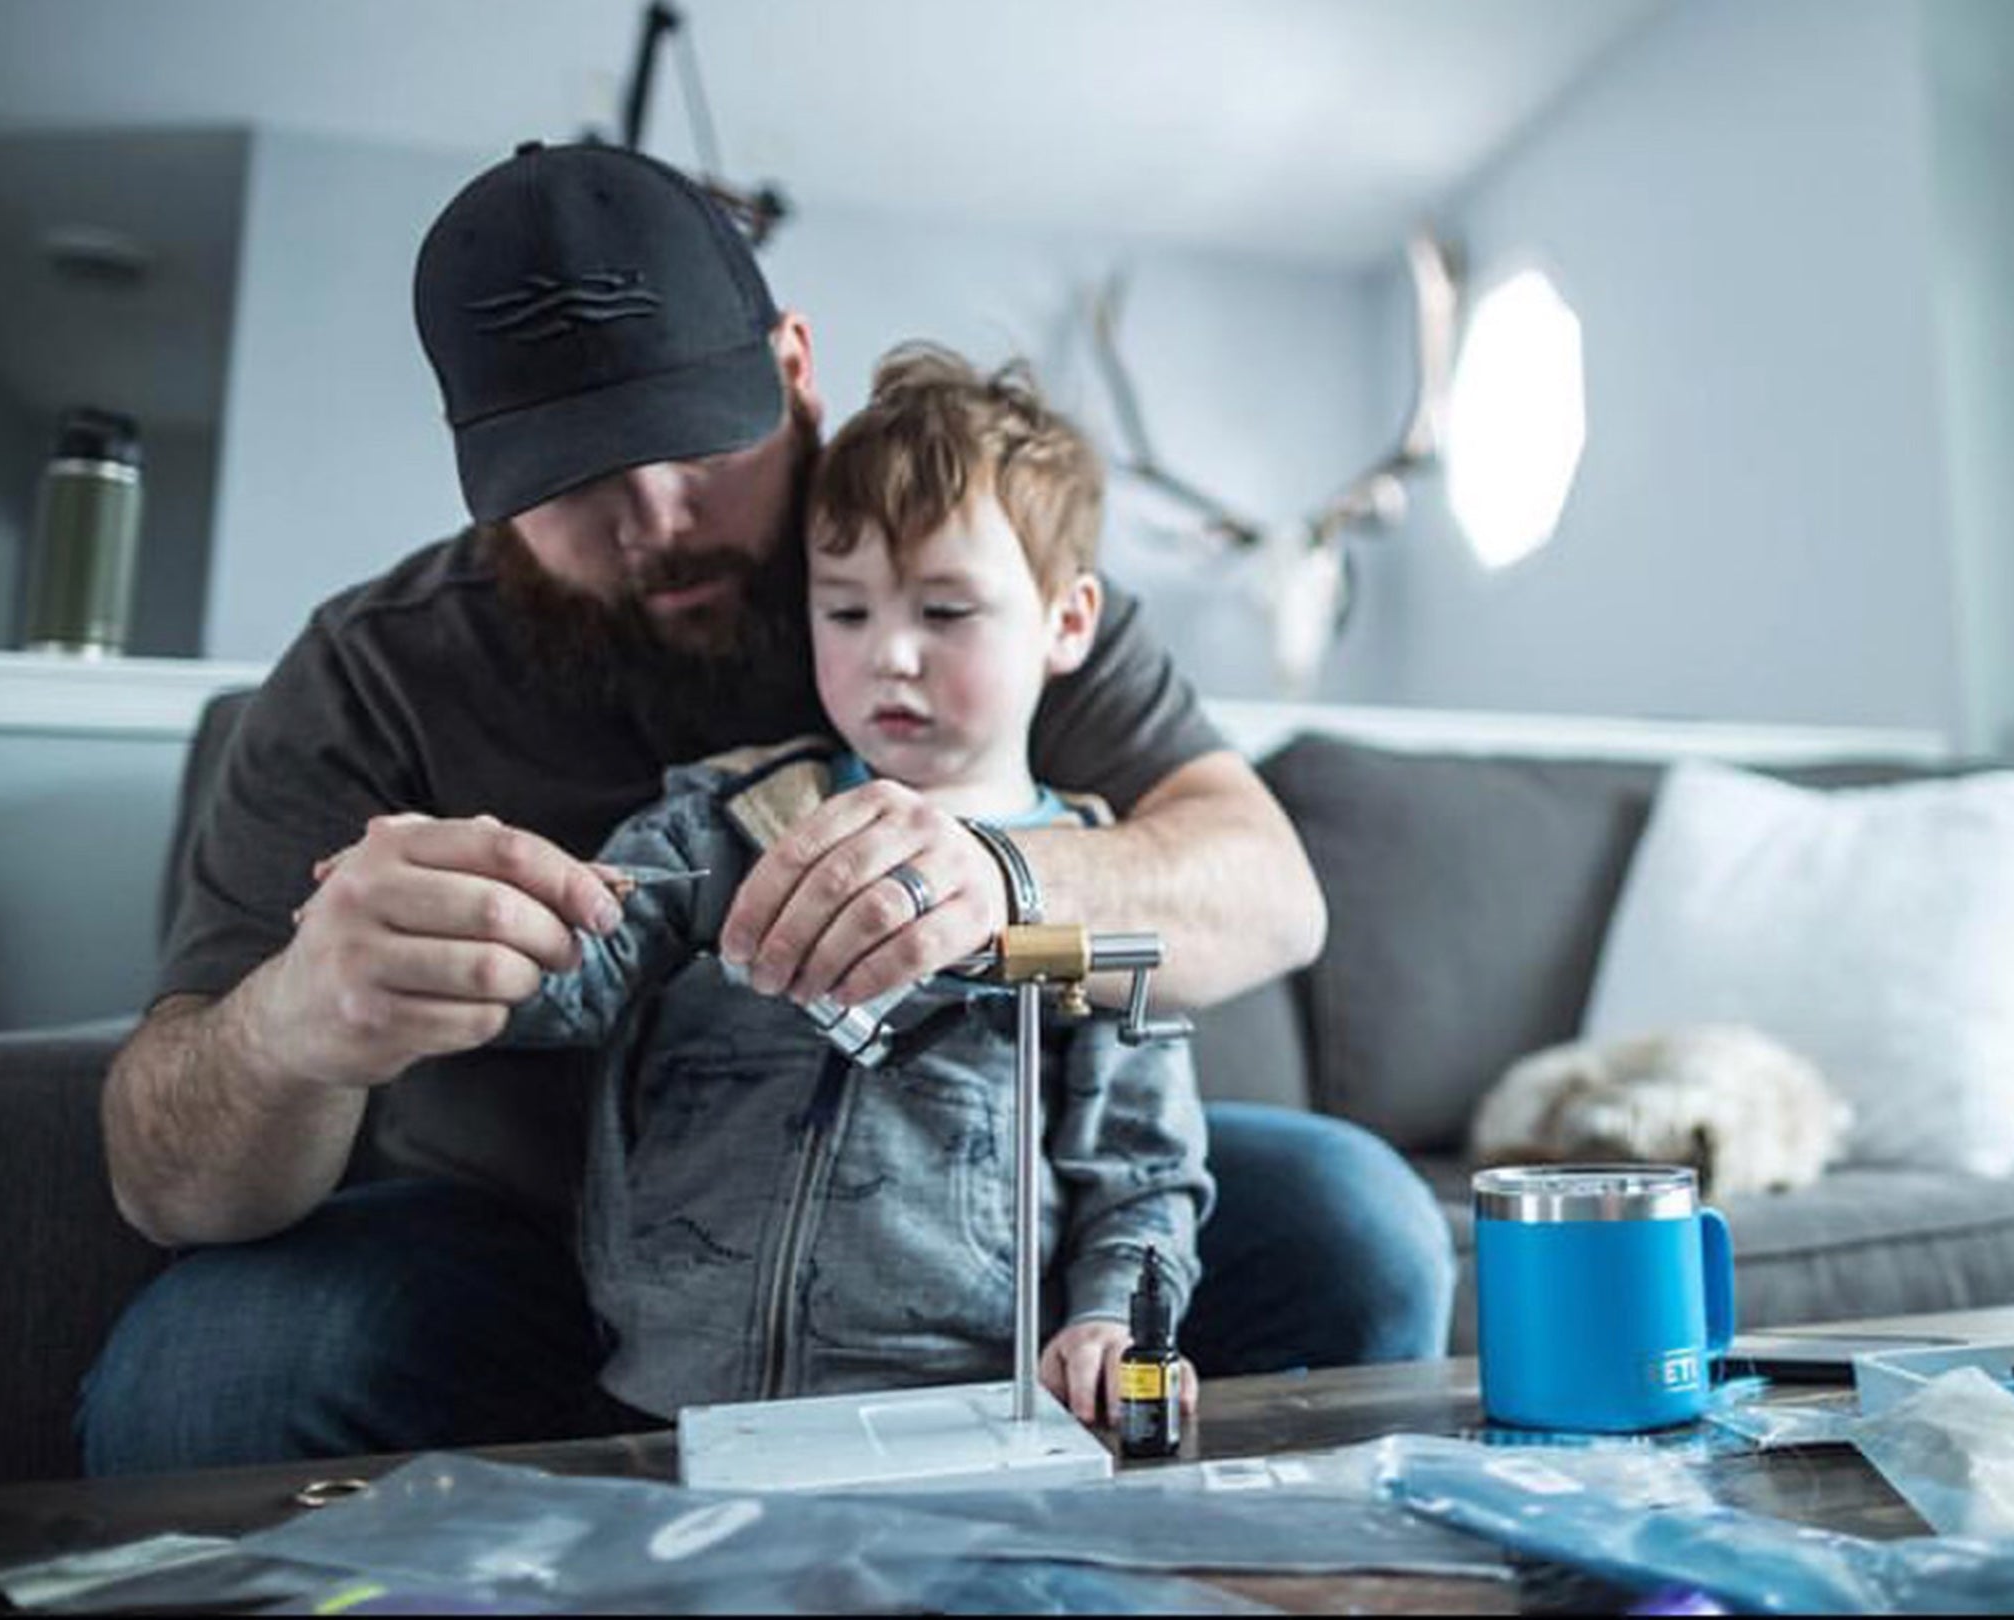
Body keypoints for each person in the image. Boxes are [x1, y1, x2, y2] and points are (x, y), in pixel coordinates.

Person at [80, 141, 1450, 1473]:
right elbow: (169, 1182)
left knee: (1360, 1223)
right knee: (210, 1372)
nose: (656, 517)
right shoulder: (372, 672)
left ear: (794, 371)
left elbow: (1270, 892)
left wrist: (1003, 877)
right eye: (575, 483)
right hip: (520, 1262)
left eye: (692, 446)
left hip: (988, 1254)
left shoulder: (958, 568)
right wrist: (300, 1025)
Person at [499, 342, 1212, 1422]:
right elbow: (570, 973)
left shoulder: (1099, 911)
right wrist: (476, 928)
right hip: (665, 1403)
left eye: (944, 612)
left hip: (963, 1411)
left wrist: (1113, 1317)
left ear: (1067, 622)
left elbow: (1143, 1170)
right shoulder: (727, 825)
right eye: (848, 612)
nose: (891, 656)